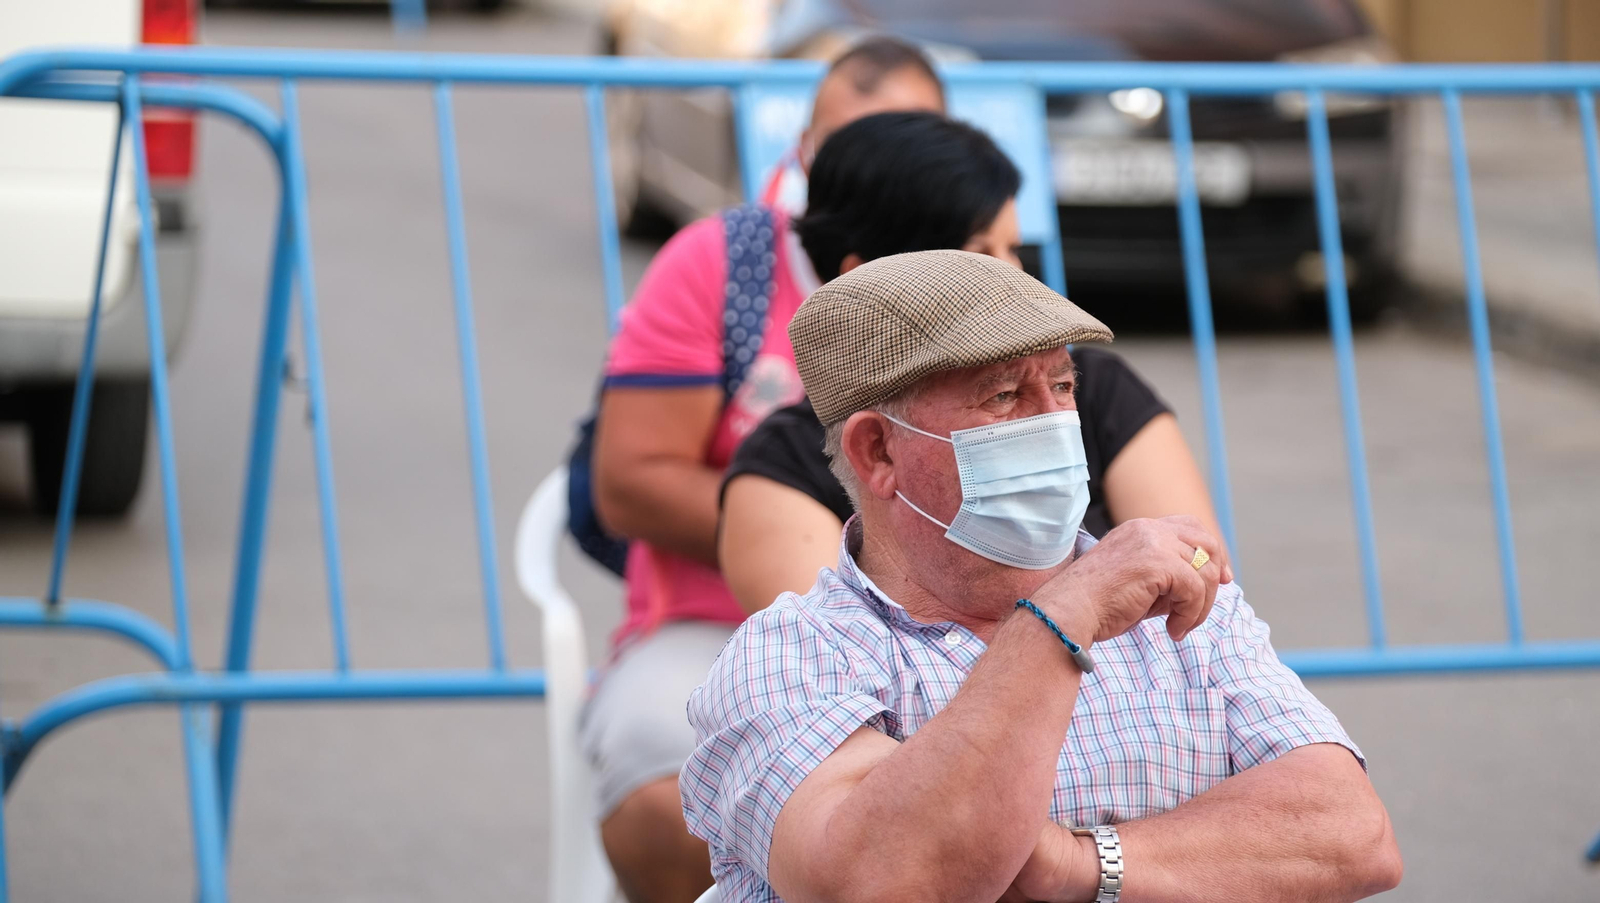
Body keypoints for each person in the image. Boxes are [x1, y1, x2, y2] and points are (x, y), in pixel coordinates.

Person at [681, 251, 1403, 903]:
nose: (1056, 421)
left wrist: (1078, 865)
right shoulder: (791, 656)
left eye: (1062, 385)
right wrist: (1057, 620)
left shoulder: (1170, 604)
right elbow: (884, 881)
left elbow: (1351, 832)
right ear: (879, 452)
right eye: (1003, 397)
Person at [584, 37, 944, 903]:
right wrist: (793, 530)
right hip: (715, 630)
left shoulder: (984, 280)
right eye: (846, 150)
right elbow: (628, 477)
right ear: (805, 155)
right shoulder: (724, 265)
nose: (871, 173)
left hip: (949, 635)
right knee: (665, 810)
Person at [719, 112, 1221, 615]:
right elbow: (828, 659)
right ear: (875, 452)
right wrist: (1075, 608)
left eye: (1013, 248)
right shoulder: (783, 465)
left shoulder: (1099, 389)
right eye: (979, 253)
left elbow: (1202, 590)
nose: (1012, 274)